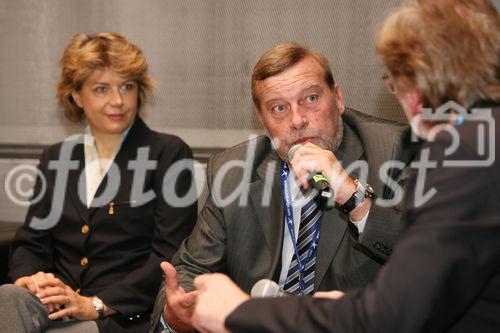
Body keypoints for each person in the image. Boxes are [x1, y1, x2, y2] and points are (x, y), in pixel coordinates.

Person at [190, 0, 500, 332]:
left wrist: (238, 312)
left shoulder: (459, 152)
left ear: (422, 82)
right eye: (279, 108)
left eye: (397, 84)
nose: (298, 120)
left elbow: (388, 314)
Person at [150, 42, 416, 332]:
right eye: (279, 108)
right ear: (263, 122)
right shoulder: (232, 171)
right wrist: (175, 316)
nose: (298, 120)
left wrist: (352, 197)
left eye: (311, 99)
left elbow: (426, 260)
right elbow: (191, 269)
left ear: (338, 98)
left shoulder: (396, 151)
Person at [0, 32, 197, 333]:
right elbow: (31, 241)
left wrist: (94, 304)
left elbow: (169, 255)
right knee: (7, 297)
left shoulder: (168, 154)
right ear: (76, 96)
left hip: (121, 315)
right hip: (57, 306)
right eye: (101, 89)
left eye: (127, 87)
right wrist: (32, 277)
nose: (117, 101)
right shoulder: (56, 157)